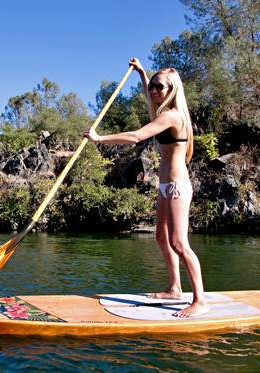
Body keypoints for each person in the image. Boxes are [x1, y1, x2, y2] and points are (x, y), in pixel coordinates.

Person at [83, 58, 209, 317]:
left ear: (171, 90)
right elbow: (148, 96)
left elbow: (137, 136)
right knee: (161, 238)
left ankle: (199, 300)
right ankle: (175, 289)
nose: (153, 90)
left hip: (176, 186)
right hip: (164, 186)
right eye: (151, 85)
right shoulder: (163, 112)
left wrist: (99, 139)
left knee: (179, 242)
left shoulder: (172, 116)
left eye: (159, 87)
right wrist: (142, 74)